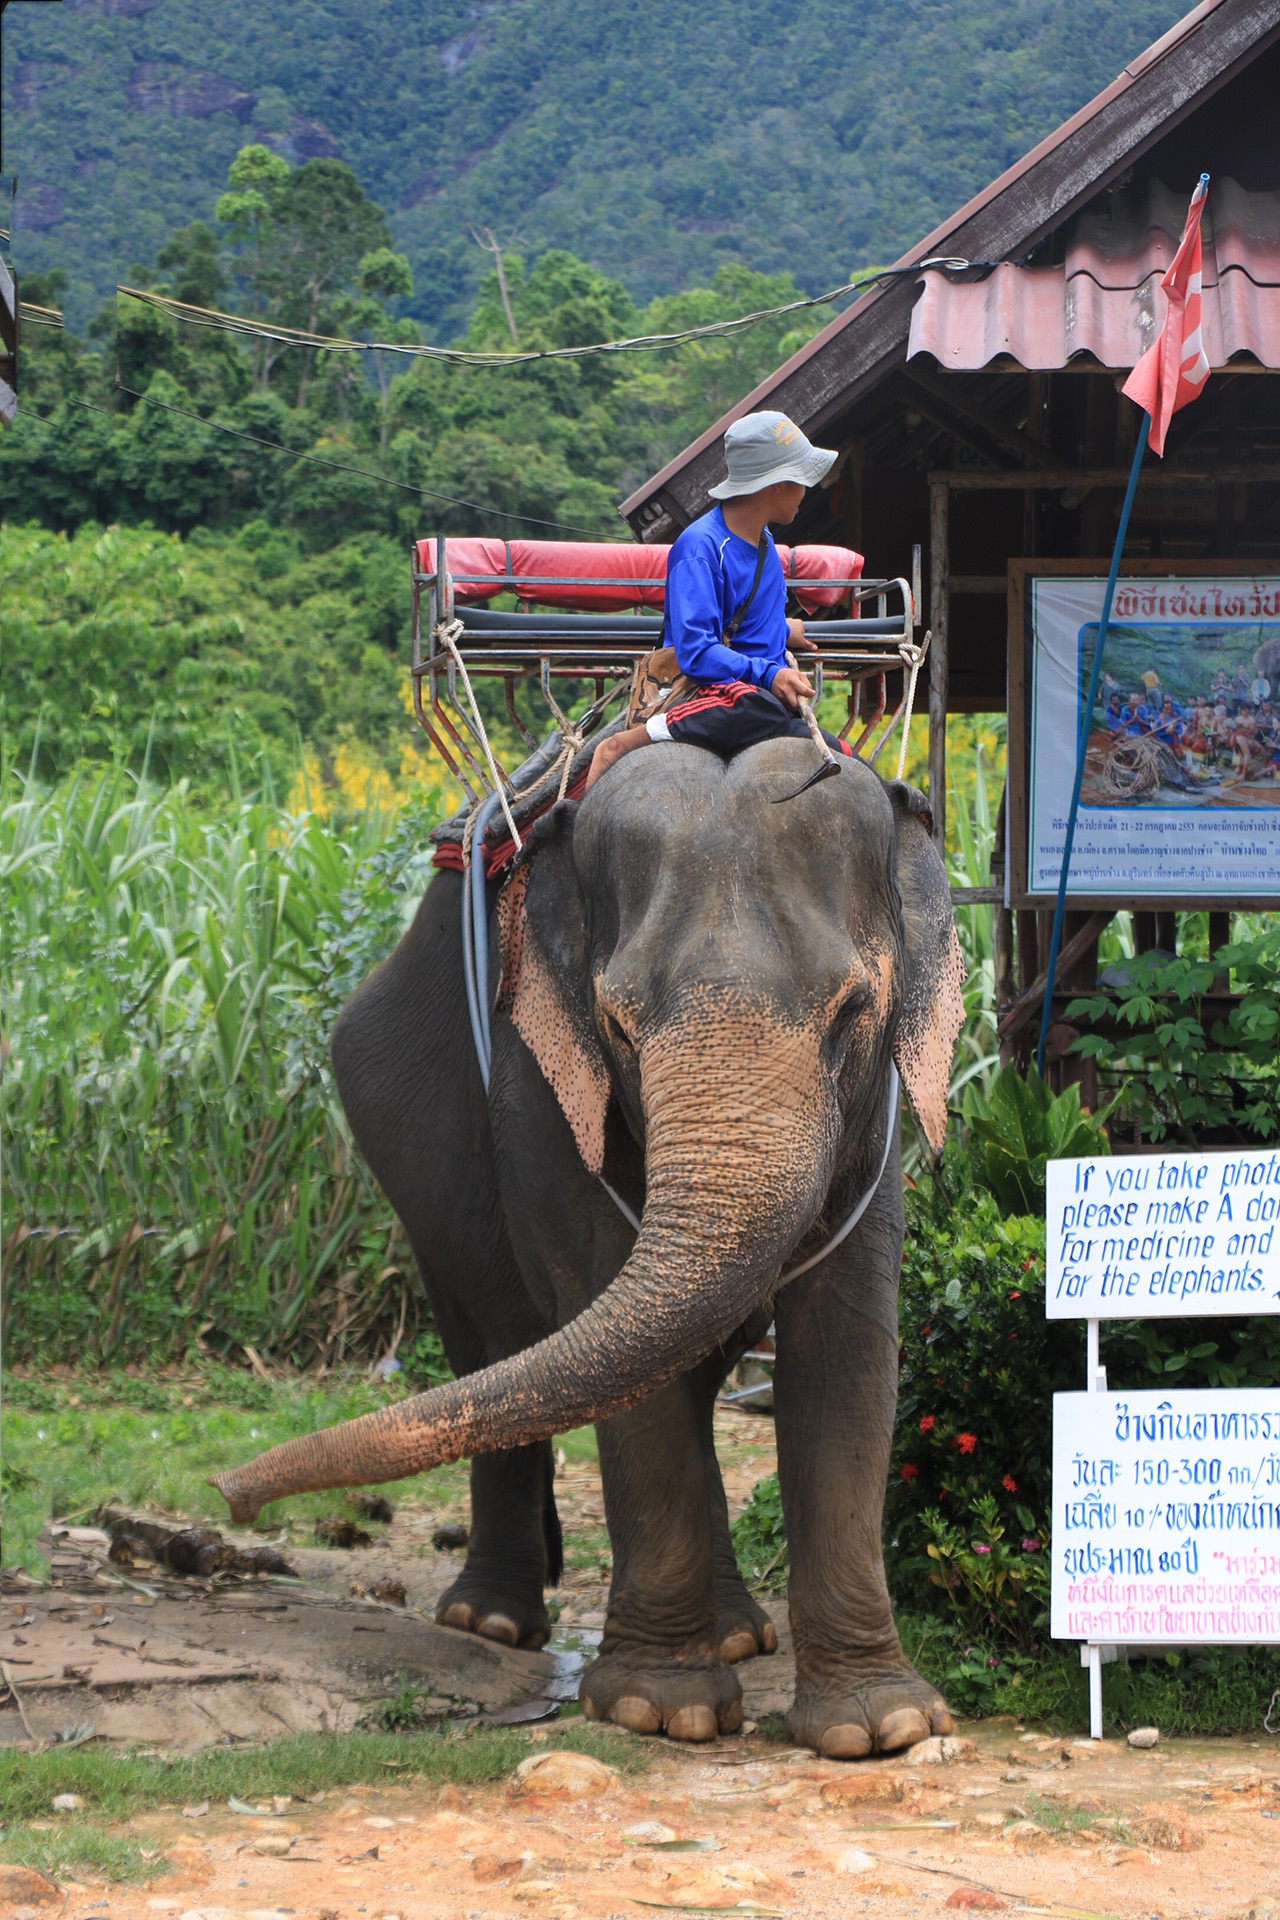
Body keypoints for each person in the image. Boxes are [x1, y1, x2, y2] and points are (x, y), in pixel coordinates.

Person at [584, 412, 852, 790]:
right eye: (800, 478)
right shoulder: (700, 547)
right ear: (774, 484)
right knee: (754, 706)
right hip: (721, 694)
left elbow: (749, 625)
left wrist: (781, 630)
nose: (808, 489)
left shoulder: (764, 544)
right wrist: (770, 674)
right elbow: (695, 652)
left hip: (766, 704)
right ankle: (626, 743)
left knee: (849, 760)